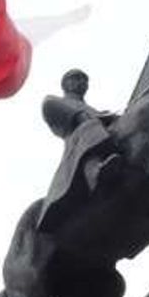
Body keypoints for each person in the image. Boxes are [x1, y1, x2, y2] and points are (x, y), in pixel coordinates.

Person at [36, 69, 122, 231]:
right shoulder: (52, 100)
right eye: (76, 78)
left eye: (84, 80)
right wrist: (86, 116)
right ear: (65, 84)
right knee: (88, 127)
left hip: (102, 136)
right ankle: (95, 172)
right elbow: (57, 110)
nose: (81, 82)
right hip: (77, 141)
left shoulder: (93, 109)